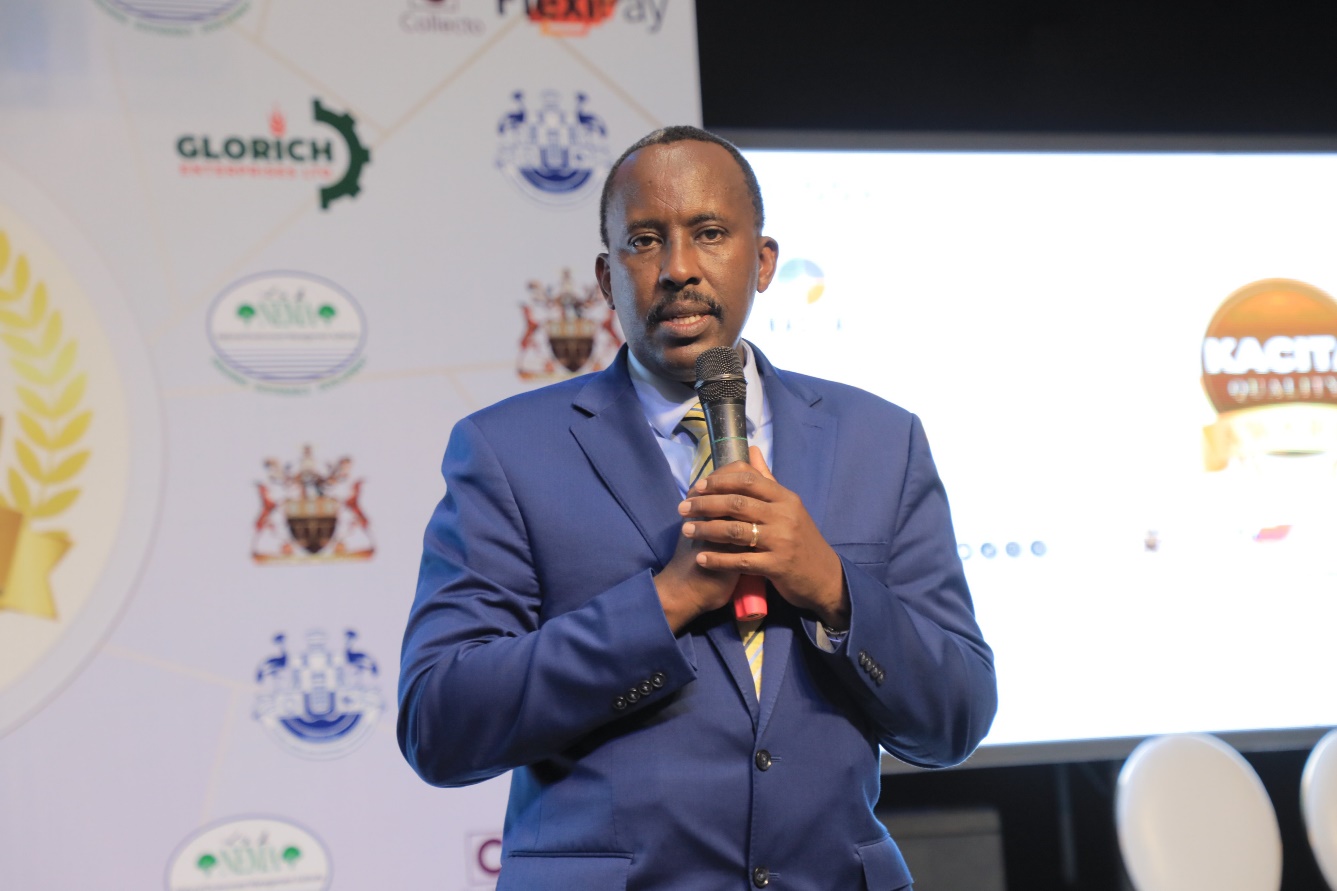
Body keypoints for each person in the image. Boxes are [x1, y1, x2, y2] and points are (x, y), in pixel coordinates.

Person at [398, 126, 996, 891]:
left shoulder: (881, 440)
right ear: (606, 276)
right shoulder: (507, 451)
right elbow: (440, 723)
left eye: (709, 232)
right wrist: (667, 599)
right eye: (645, 240)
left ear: (763, 260)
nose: (678, 267)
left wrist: (830, 585)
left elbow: (955, 717)